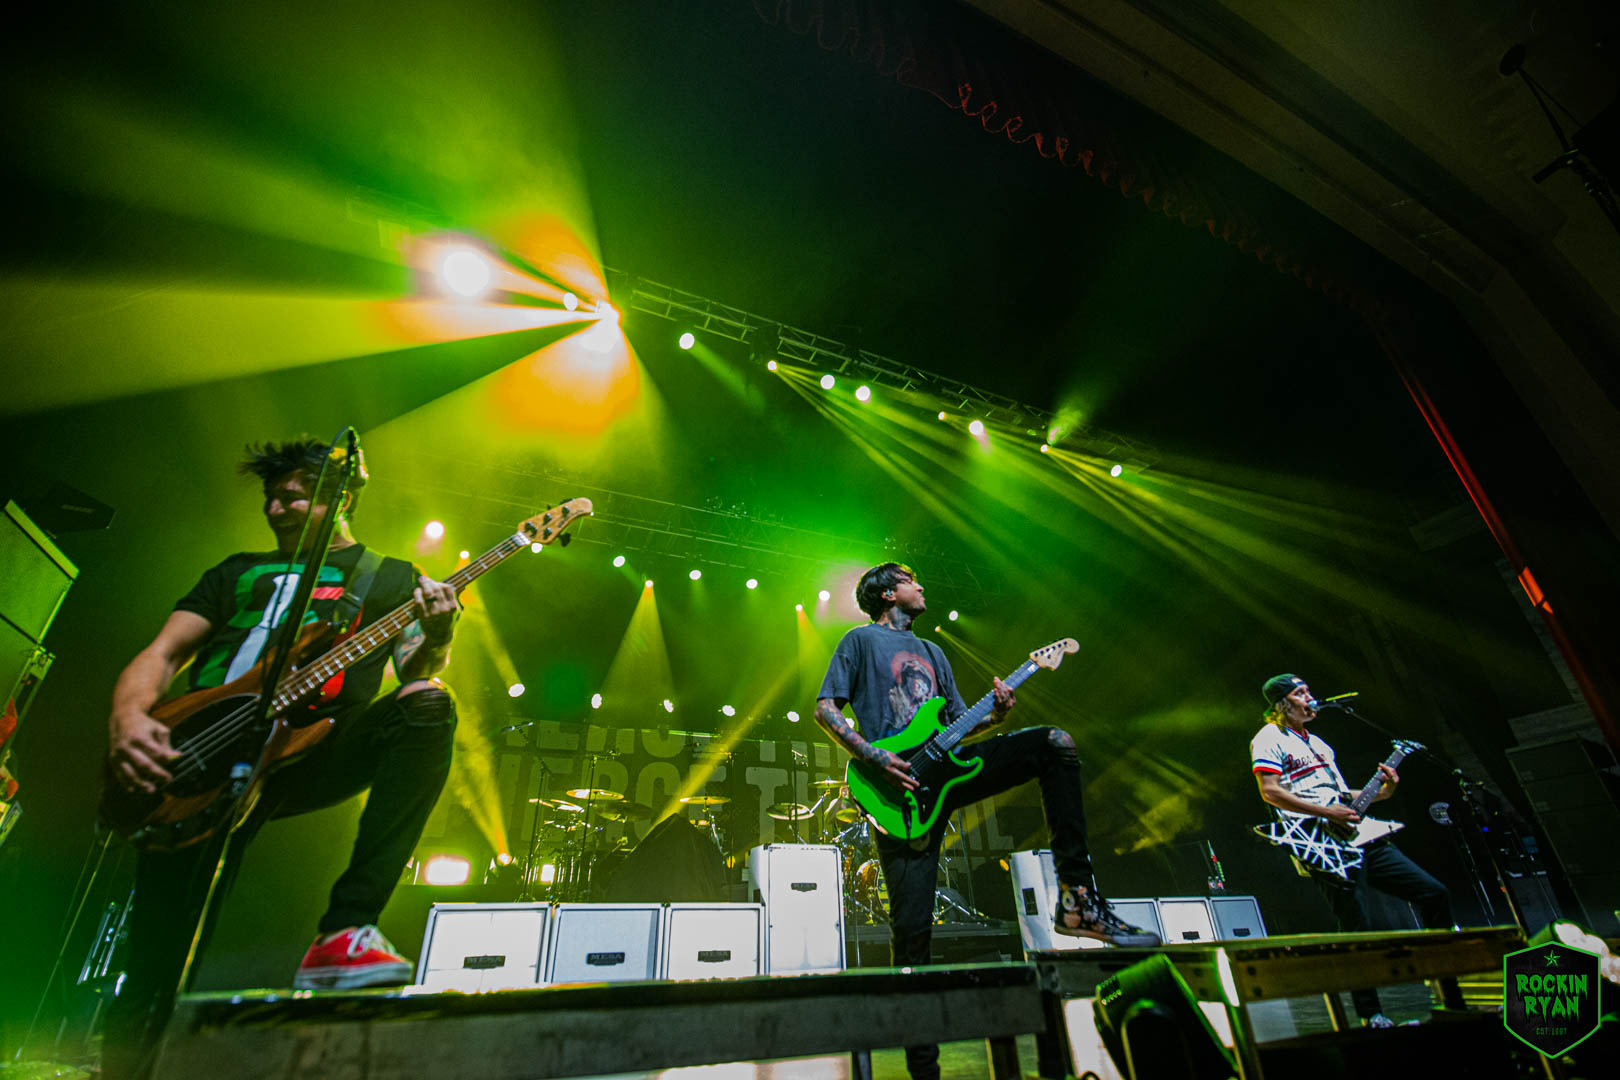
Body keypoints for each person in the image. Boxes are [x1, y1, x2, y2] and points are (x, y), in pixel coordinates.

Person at [102, 440, 461, 1079]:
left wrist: (438, 631)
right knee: (155, 958)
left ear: (342, 497)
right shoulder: (237, 571)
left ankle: (347, 929)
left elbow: (416, 670)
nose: (276, 508)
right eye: (271, 497)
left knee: (427, 704)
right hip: (198, 753)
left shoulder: (389, 577)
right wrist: (129, 720)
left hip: (311, 748)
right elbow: (162, 653)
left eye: (294, 496)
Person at [816, 562, 1158, 1080]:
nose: (921, 585)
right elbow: (825, 709)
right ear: (887, 593)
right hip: (896, 790)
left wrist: (994, 717)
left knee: (1054, 743)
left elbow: (956, 728)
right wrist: (873, 756)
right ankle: (924, 1073)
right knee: (912, 941)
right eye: (910, 579)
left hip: (947, 774)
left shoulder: (934, 652)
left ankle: (1079, 900)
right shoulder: (859, 641)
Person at [1250, 673, 1452, 1028]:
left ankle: (1447, 990)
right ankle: (1370, 1014)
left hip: (1359, 837)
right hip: (1321, 843)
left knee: (1433, 892)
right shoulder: (1268, 738)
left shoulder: (1320, 744)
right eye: (1300, 693)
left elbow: (1343, 797)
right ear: (1282, 703)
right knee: (1357, 925)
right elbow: (1271, 791)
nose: (1310, 697)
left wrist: (1383, 793)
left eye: (1309, 690)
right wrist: (1326, 812)